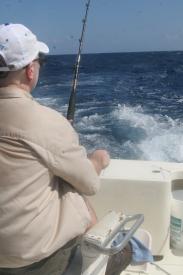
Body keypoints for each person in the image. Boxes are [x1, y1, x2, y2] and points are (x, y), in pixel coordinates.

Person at [0, 23, 110, 274]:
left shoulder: (48, 124)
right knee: (69, 187)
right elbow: (90, 183)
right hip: (30, 262)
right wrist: (98, 159)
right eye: (40, 62)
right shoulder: (48, 122)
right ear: (29, 70)